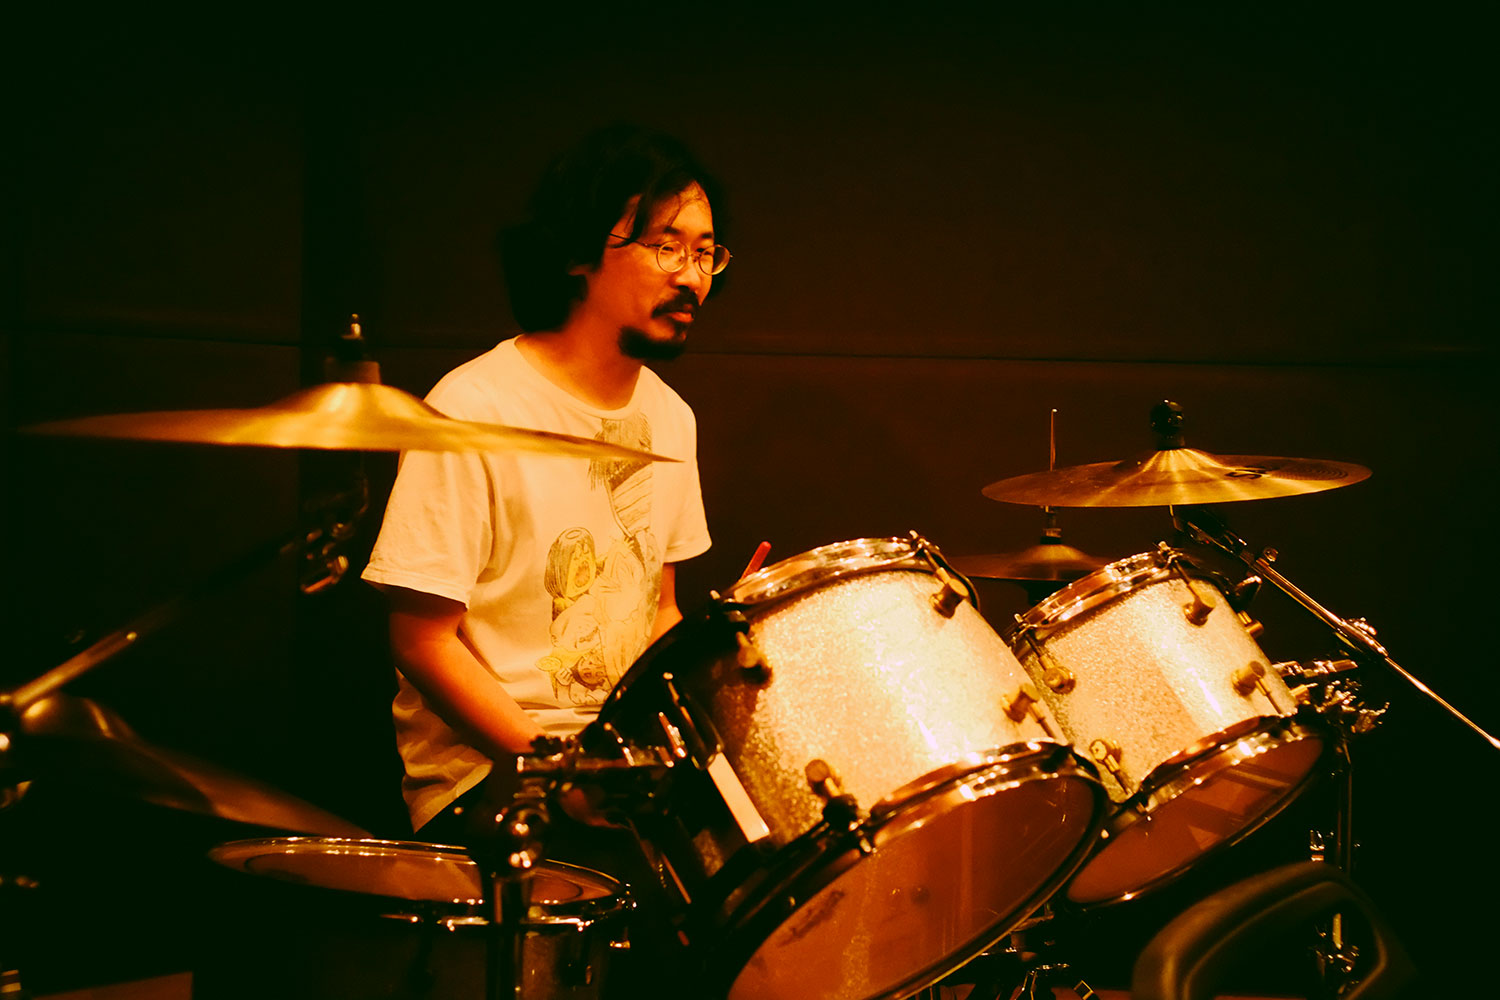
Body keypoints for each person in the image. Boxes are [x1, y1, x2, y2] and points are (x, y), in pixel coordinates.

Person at [360, 125, 727, 990]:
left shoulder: (671, 419)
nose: (691, 276)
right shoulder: (474, 406)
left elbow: (658, 609)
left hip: (613, 772)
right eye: (664, 244)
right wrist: (558, 769)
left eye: (707, 252)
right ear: (578, 255)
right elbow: (421, 640)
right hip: (491, 778)